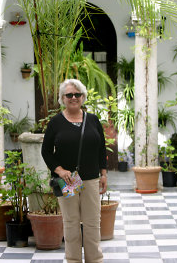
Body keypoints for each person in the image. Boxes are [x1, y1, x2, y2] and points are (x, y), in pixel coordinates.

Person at [41, 79, 107, 263]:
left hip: (91, 179)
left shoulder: (93, 120)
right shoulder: (56, 123)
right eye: (69, 95)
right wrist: (60, 170)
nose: (73, 98)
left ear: (83, 97)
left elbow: (101, 148)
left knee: (93, 223)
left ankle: (95, 260)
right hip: (68, 180)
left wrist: (103, 174)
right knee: (71, 223)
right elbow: (46, 151)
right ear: (63, 98)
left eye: (77, 94)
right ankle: (73, 260)